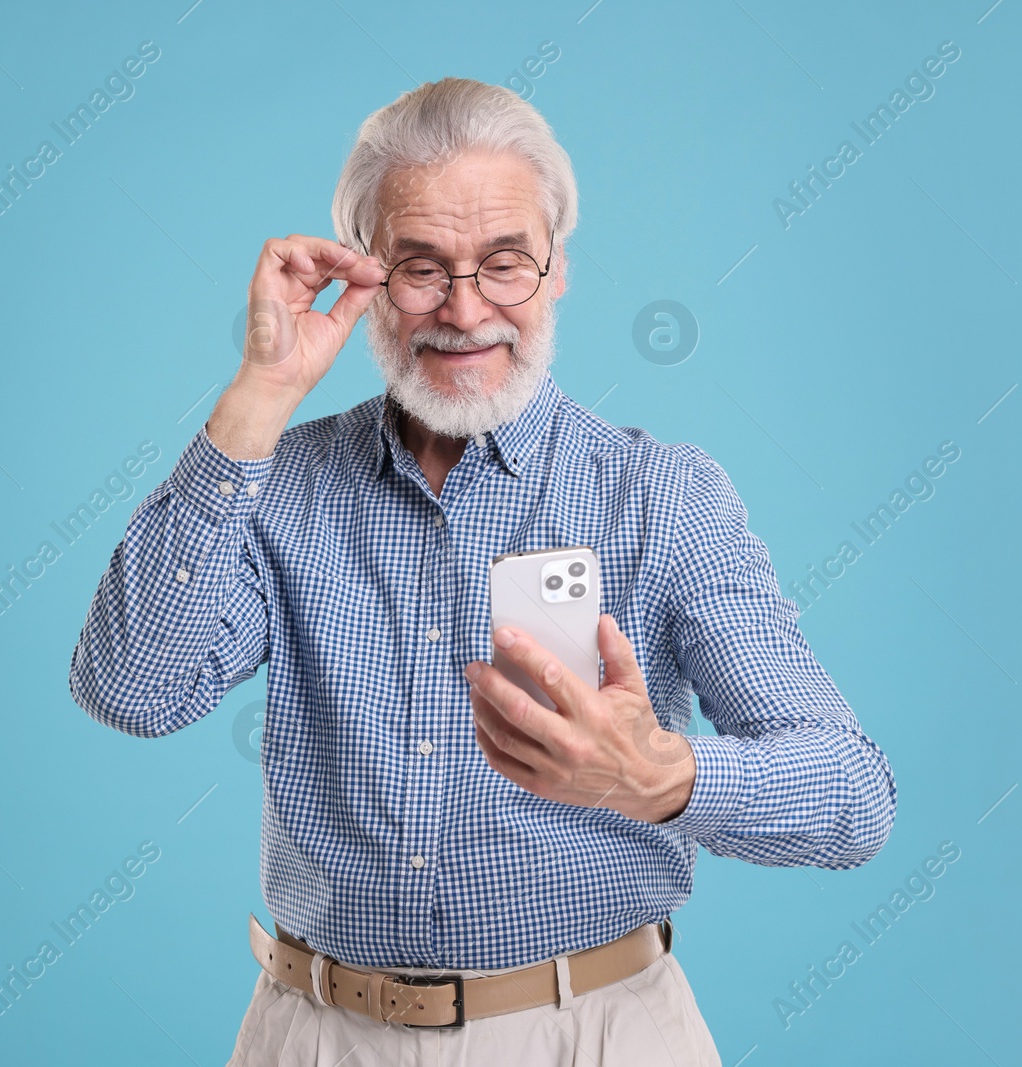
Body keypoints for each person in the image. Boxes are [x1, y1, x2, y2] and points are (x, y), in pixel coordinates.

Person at [68, 76, 896, 1066]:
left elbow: (853, 796)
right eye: (420, 266)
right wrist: (260, 392)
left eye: (503, 262)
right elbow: (131, 690)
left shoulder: (661, 495)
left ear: (555, 273)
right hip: (317, 1035)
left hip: (593, 1033)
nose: (464, 310)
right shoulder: (275, 483)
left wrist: (662, 773)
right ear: (363, 278)